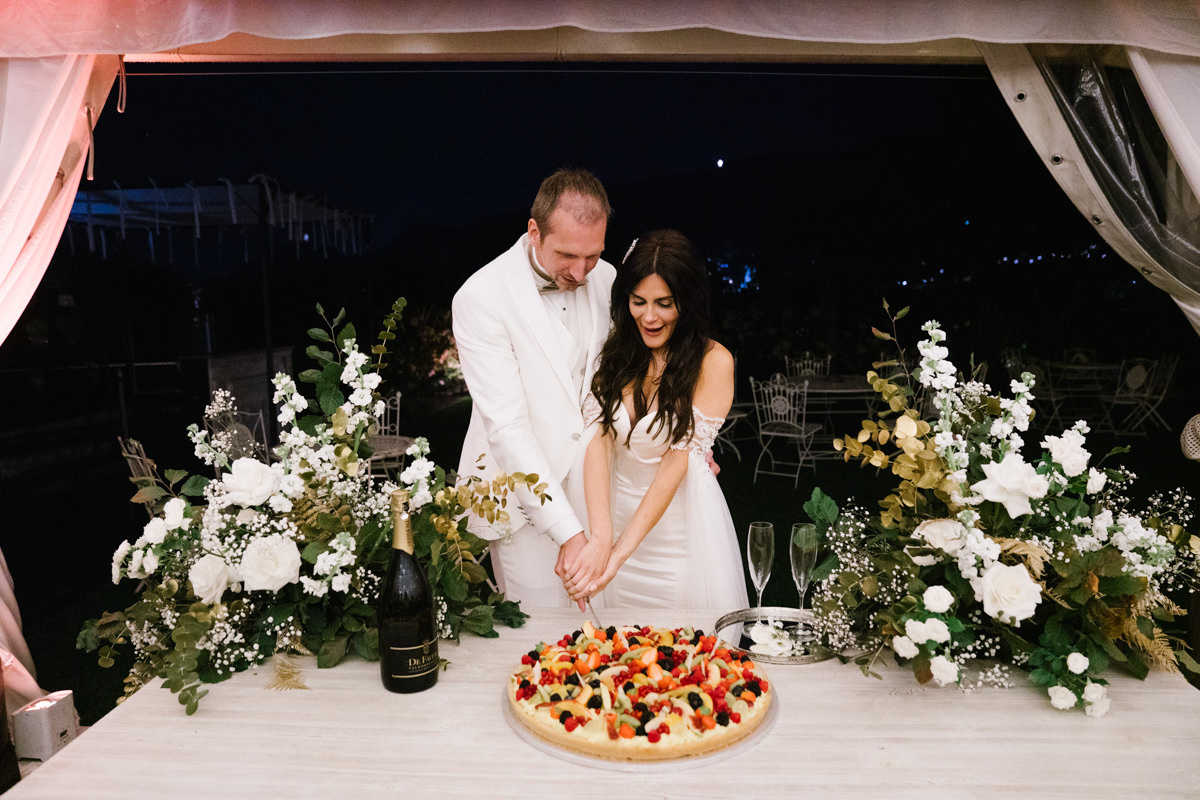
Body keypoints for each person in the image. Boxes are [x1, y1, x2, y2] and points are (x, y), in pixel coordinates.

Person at [453, 169, 616, 607]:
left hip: (598, 490)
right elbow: (507, 428)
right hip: (520, 504)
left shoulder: (607, 279)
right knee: (539, 632)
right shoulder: (480, 297)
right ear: (534, 231)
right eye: (567, 255)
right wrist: (567, 531)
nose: (580, 272)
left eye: (592, 255)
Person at [564, 230, 749, 609]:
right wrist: (602, 538)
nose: (649, 317)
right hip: (610, 520)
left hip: (677, 544)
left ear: (687, 300)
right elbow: (598, 438)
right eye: (639, 302)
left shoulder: (713, 362)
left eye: (664, 304)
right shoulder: (615, 353)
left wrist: (618, 555)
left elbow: (676, 461)